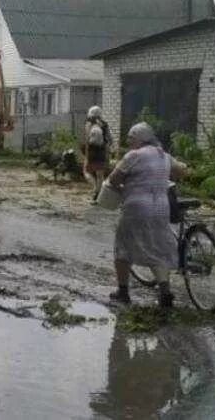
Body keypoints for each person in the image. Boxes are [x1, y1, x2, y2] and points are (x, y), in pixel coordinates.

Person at [105, 122, 187, 307]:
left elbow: (113, 178)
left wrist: (122, 189)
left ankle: (123, 292)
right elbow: (181, 170)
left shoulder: (133, 156)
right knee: (158, 248)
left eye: (131, 138)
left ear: (140, 139)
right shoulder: (163, 155)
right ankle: (165, 291)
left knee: (122, 246)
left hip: (137, 207)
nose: (128, 141)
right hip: (161, 208)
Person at [84, 106, 113, 203]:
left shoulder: (88, 124)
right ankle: (98, 195)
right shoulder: (105, 124)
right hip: (103, 151)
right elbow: (110, 139)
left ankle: (95, 189)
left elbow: (87, 138)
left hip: (92, 152)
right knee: (100, 175)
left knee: (87, 172)